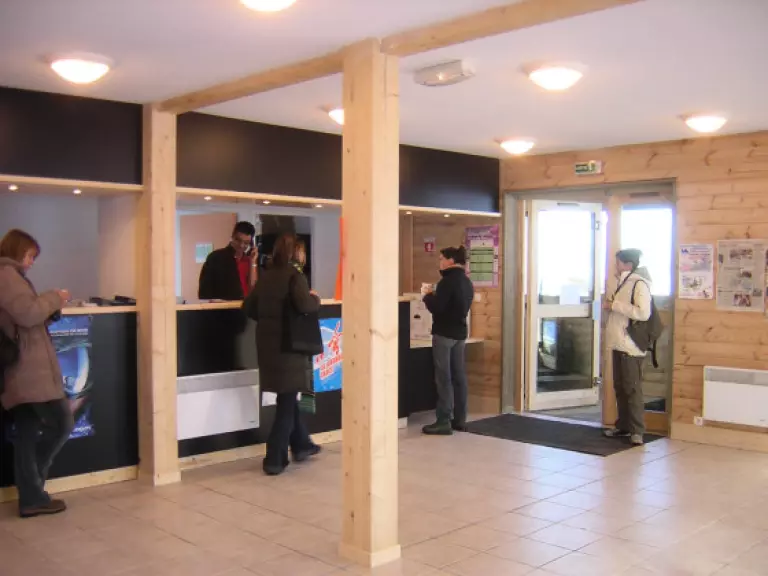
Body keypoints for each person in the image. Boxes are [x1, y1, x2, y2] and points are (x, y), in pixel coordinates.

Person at [0, 229, 74, 518]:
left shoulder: (12, 276)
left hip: (23, 372)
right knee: (62, 423)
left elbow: (25, 317)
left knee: (28, 434)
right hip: (27, 372)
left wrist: (49, 309)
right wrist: (54, 297)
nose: (32, 262)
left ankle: (31, 496)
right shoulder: (7, 275)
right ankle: (33, 489)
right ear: (18, 251)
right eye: (30, 256)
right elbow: (28, 314)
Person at [243, 233, 321, 475]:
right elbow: (304, 305)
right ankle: (274, 459)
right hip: (289, 348)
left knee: (287, 397)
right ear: (295, 253)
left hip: (268, 349)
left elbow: (249, 307)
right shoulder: (295, 276)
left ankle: (302, 445)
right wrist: (315, 299)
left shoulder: (266, 276)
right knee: (286, 404)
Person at [421, 246, 475, 436]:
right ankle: (460, 419)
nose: (440, 262)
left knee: (443, 378)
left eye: (442, 258)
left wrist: (427, 296)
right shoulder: (467, 282)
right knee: (459, 377)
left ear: (451, 260)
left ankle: (443, 420)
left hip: (444, 333)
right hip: (460, 334)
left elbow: (438, 307)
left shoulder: (447, 282)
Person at [603, 248, 652, 446]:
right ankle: (623, 425)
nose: (615, 266)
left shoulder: (639, 284)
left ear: (628, 265)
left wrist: (614, 305)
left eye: (618, 263)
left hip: (631, 346)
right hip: (618, 343)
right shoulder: (620, 282)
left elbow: (643, 313)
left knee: (632, 388)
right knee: (620, 387)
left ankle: (637, 430)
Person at [198, 221, 258, 301]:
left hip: (245, 306)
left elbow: (253, 289)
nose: (241, 245)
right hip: (225, 307)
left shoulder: (249, 261)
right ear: (232, 236)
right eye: (238, 240)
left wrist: (252, 261)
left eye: (246, 243)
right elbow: (204, 290)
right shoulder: (216, 257)